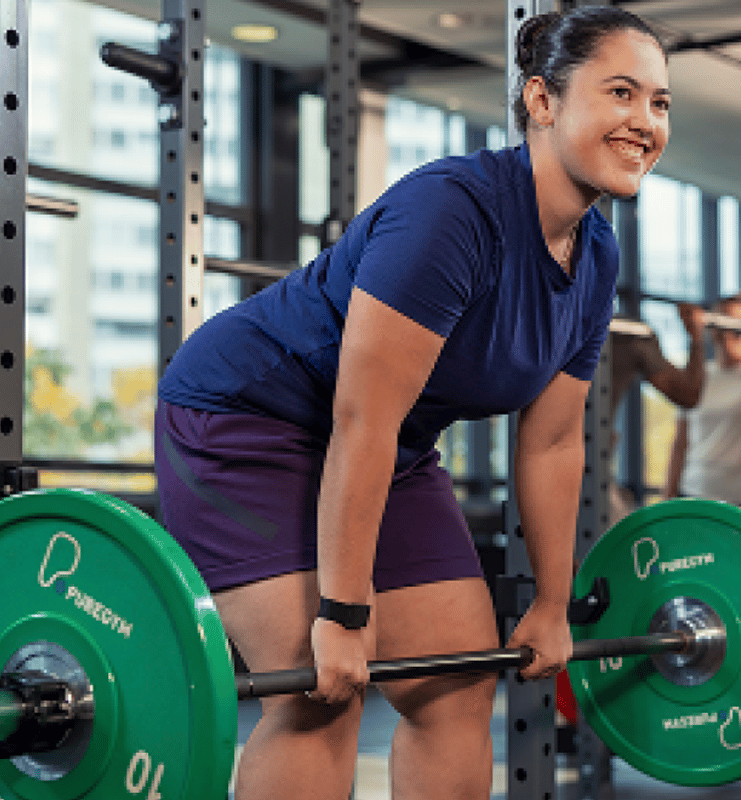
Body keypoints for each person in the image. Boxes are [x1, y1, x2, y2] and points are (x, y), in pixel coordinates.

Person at [153, 7, 670, 798]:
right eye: (623, 93)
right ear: (542, 102)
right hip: (245, 422)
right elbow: (363, 417)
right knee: (318, 690)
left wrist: (554, 606)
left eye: (660, 103)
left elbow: (554, 443)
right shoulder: (453, 213)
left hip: (386, 447)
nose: (644, 122)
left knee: (457, 686)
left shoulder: (596, 254)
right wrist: (342, 612)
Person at [665, 293, 741, 517]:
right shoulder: (698, 377)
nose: (737, 331)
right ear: (714, 330)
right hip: (695, 494)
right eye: (729, 322)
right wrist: (666, 502)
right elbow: (680, 443)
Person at [608, 302, 706, 519]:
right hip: (541, 456)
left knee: (620, 541)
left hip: (591, 465)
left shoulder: (628, 333)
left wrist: (696, 338)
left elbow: (688, 395)